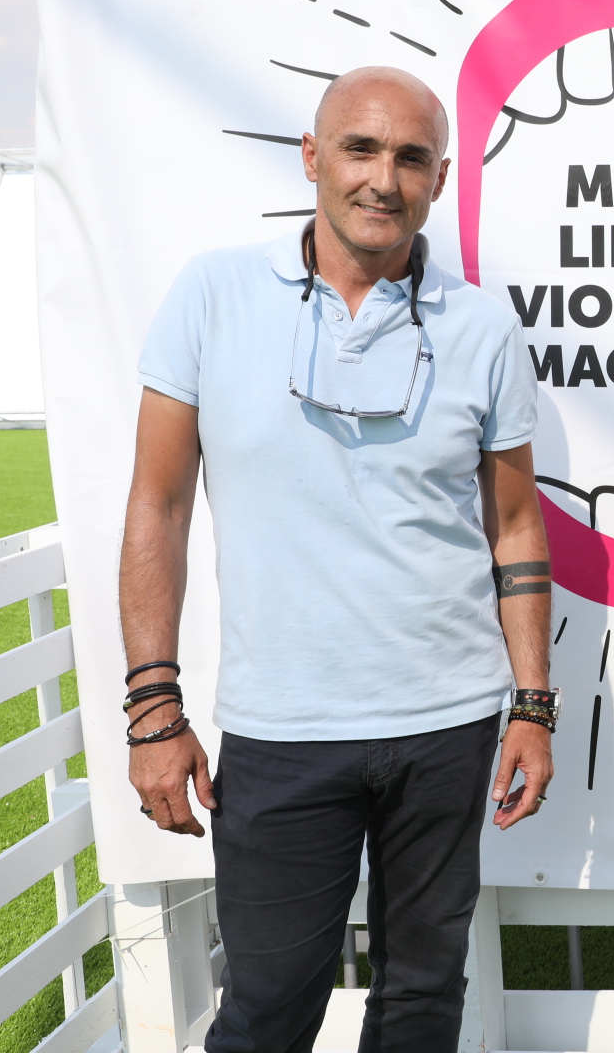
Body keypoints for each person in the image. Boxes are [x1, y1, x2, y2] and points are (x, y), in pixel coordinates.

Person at [118, 66, 558, 1052]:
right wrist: (153, 707)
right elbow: (158, 505)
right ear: (312, 158)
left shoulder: (481, 327)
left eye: (412, 157)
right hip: (283, 726)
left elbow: (516, 526)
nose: (383, 179)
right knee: (267, 1010)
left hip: (447, 722)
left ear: (440, 177)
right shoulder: (213, 294)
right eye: (360, 148)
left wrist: (532, 705)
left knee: (422, 1002)